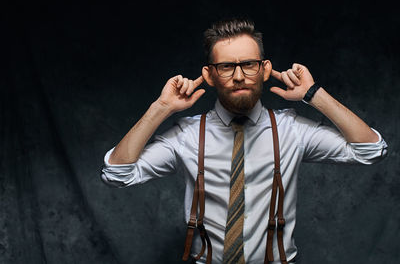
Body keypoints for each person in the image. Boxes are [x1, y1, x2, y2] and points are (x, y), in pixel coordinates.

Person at [100, 18, 388, 264]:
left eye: (248, 64)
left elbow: (371, 150)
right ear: (209, 75)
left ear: (264, 69)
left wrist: (313, 94)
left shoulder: (292, 130)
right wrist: (161, 108)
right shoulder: (187, 136)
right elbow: (116, 173)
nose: (239, 76)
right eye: (226, 67)